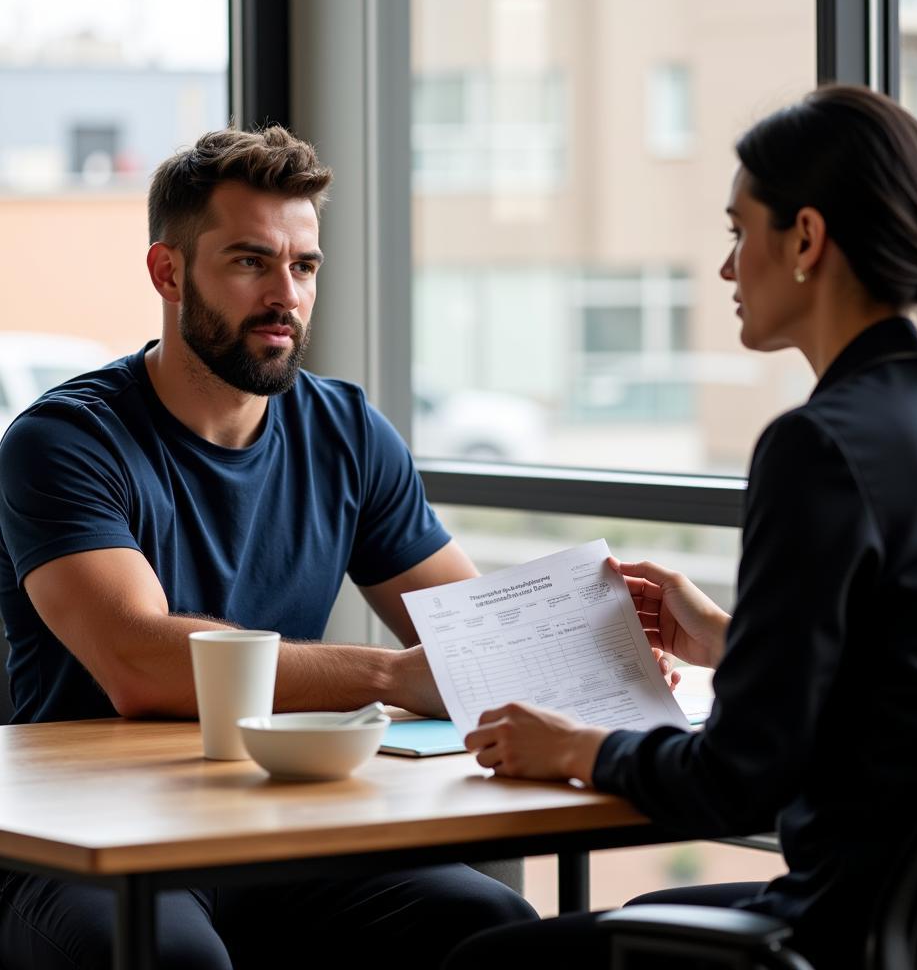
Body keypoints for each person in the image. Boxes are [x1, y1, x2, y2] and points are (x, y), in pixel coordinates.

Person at [445, 84, 917, 970]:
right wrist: (726, 639)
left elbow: (736, 782)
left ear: (804, 239)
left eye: (736, 231)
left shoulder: (819, 444)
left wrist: (578, 747)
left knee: (482, 961)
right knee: (650, 911)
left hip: (843, 925)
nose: (725, 270)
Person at [0, 126, 535, 968]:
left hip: (277, 823)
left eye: (304, 266)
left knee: (491, 926)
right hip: (86, 839)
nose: (286, 294)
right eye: (251, 262)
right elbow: (141, 663)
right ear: (168, 273)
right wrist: (393, 675)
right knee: (173, 959)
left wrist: (595, 628)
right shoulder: (66, 441)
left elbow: (468, 632)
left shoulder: (348, 431)